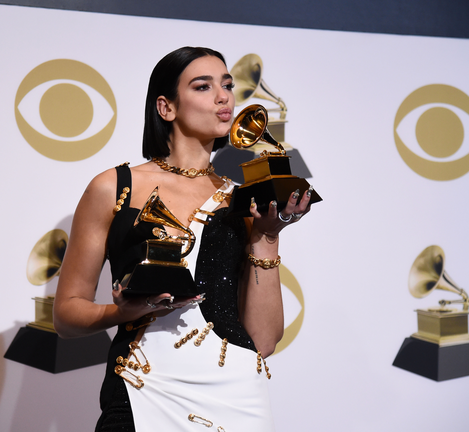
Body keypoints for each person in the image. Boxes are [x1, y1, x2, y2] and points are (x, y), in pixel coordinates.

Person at [53, 46, 313, 432]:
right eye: (203, 86)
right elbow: (67, 314)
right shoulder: (114, 187)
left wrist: (267, 238)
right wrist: (124, 313)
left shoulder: (240, 199)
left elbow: (263, 340)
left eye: (227, 84)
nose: (224, 96)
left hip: (236, 397)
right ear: (166, 107)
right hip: (145, 386)